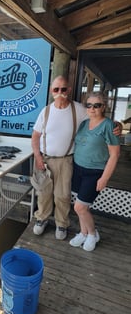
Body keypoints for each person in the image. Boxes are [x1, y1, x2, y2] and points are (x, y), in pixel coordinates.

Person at [31, 75, 121, 240]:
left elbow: (99, 119)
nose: (60, 92)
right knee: (43, 193)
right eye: (56, 89)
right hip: (45, 159)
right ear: (51, 92)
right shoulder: (46, 111)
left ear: (69, 90)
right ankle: (42, 218)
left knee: (62, 195)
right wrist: (37, 156)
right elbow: (35, 136)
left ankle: (61, 223)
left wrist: (117, 125)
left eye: (63, 89)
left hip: (66, 159)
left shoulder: (80, 109)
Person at [69, 92, 120, 251]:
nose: (92, 108)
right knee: (83, 206)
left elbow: (115, 154)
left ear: (103, 107)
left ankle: (92, 234)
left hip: (95, 172)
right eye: (89, 105)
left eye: (96, 105)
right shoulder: (84, 123)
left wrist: (104, 178)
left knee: (79, 207)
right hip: (78, 169)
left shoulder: (109, 125)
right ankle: (83, 233)